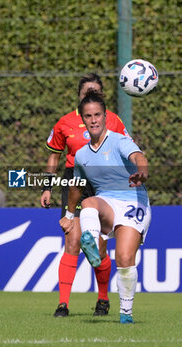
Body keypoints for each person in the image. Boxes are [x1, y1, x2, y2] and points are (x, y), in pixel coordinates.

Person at [40, 73, 130, 317]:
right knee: (72, 240)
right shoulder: (65, 123)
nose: (91, 96)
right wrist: (47, 186)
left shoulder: (113, 121)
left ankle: (102, 299)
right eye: (86, 93)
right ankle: (63, 304)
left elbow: (127, 151)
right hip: (74, 180)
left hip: (103, 182)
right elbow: (54, 156)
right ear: (79, 97)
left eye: (96, 93)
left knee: (98, 247)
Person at [60, 91, 151, 324]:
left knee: (124, 257)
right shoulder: (81, 155)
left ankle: (126, 313)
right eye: (88, 116)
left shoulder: (119, 140)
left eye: (97, 115)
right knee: (89, 202)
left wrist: (142, 171)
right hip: (106, 203)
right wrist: (70, 215)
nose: (93, 120)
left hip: (133, 200)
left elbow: (138, 156)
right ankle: (88, 240)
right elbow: (77, 187)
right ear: (83, 119)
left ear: (105, 116)